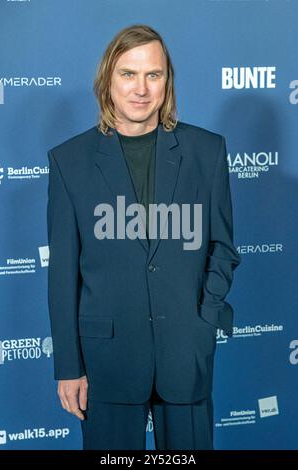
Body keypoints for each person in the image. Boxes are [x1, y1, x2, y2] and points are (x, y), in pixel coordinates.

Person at [47, 24, 241, 450]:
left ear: (167, 82)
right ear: (107, 82)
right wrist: (67, 365)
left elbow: (222, 248)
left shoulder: (206, 151)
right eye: (128, 74)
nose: (141, 89)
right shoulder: (69, 161)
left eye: (153, 75)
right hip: (107, 361)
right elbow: (62, 274)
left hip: (185, 353)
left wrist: (203, 320)